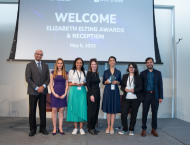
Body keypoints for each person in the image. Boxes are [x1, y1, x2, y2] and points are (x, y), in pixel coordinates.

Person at [25, 49, 50, 136]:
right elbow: (28, 78)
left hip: (43, 91)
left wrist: (43, 87)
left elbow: (48, 79)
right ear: (35, 54)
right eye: (38, 54)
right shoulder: (29, 65)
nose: (39, 55)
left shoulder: (46, 66)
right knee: (32, 111)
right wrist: (36, 87)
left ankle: (43, 129)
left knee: (43, 111)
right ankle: (33, 129)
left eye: (41, 54)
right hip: (33, 92)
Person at [140, 57, 163, 137]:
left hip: (155, 95)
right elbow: (141, 86)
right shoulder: (142, 73)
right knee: (145, 113)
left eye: (151, 62)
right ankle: (144, 129)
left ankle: (154, 129)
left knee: (154, 113)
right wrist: (141, 96)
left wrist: (161, 97)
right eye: (148, 62)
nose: (149, 63)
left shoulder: (158, 73)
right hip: (146, 95)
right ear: (146, 64)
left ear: (153, 63)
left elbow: (160, 86)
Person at [119, 62, 143, 135]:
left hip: (135, 99)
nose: (131, 68)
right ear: (128, 68)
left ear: (135, 68)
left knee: (133, 115)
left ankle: (131, 129)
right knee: (123, 114)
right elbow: (122, 86)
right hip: (126, 98)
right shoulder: (125, 76)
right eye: (130, 67)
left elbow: (141, 87)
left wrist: (134, 90)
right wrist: (124, 89)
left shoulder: (138, 77)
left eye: (133, 67)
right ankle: (125, 129)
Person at [66, 57, 87, 135]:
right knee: (74, 107)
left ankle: (81, 128)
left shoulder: (85, 72)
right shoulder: (71, 72)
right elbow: (68, 83)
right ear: (75, 63)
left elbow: (86, 82)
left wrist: (83, 83)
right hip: (74, 90)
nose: (79, 64)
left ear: (82, 64)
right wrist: (74, 84)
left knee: (82, 108)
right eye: (77, 62)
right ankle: (75, 128)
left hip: (82, 91)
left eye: (80, 63)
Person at [102, 56, 121, 134]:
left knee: (114, 110)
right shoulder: (105, 72)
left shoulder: (118, 72)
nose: (112, 62)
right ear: (108, 62)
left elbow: (121, 82)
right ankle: (108, 126)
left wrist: (117, 82)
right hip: (107, 91)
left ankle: (112, 126)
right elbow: (103, 82)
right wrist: (106, 82)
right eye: (110, 60)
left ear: (115, 62)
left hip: (115, 92)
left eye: (113, 60)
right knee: (108, 110)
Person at [50, 58, 68, 135]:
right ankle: (54, 128)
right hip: (55, 93)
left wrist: (65, 94)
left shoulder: (65, 73)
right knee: (54, 111)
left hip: (63, 94)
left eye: (61, 63)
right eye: (58, 63)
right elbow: (50, 84)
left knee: (61, 111)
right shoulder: (52, 72)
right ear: (56, 64)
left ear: (63, 64)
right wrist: (54, 93)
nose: (60, 64)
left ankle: (60, 128)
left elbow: (67, 85)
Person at [86, 59, 101, 135]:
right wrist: (91, 95)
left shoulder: (97, 73)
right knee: (91, 111)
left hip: (98, 93)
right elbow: (88, 85)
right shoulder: (89, 73)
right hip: (92, 93)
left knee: (96, 111)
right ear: (90, 65)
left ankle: (93, 127)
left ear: (97, 65)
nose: (94, 65)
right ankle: (90, 128)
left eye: (95, 64)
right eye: (92, 64)